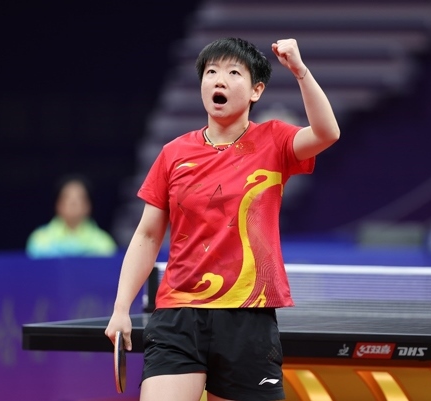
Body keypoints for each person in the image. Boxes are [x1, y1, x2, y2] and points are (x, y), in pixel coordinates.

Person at [105, 37, 340, 401]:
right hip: (179, 314)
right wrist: (121, 308)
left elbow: (327, 133)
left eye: (233, 73)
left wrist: (300, 71)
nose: (219, 80)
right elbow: (148, 236)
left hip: (248, 314)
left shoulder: (274, 141)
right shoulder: (173, 154)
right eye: (211, 72)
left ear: (256, 90)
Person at [26, 174, 118, 258]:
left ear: (88, 205)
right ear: (58, 204)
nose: (73, 203)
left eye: (79, 198)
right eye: (67, 198)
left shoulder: (104, 242)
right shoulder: (39, 239)